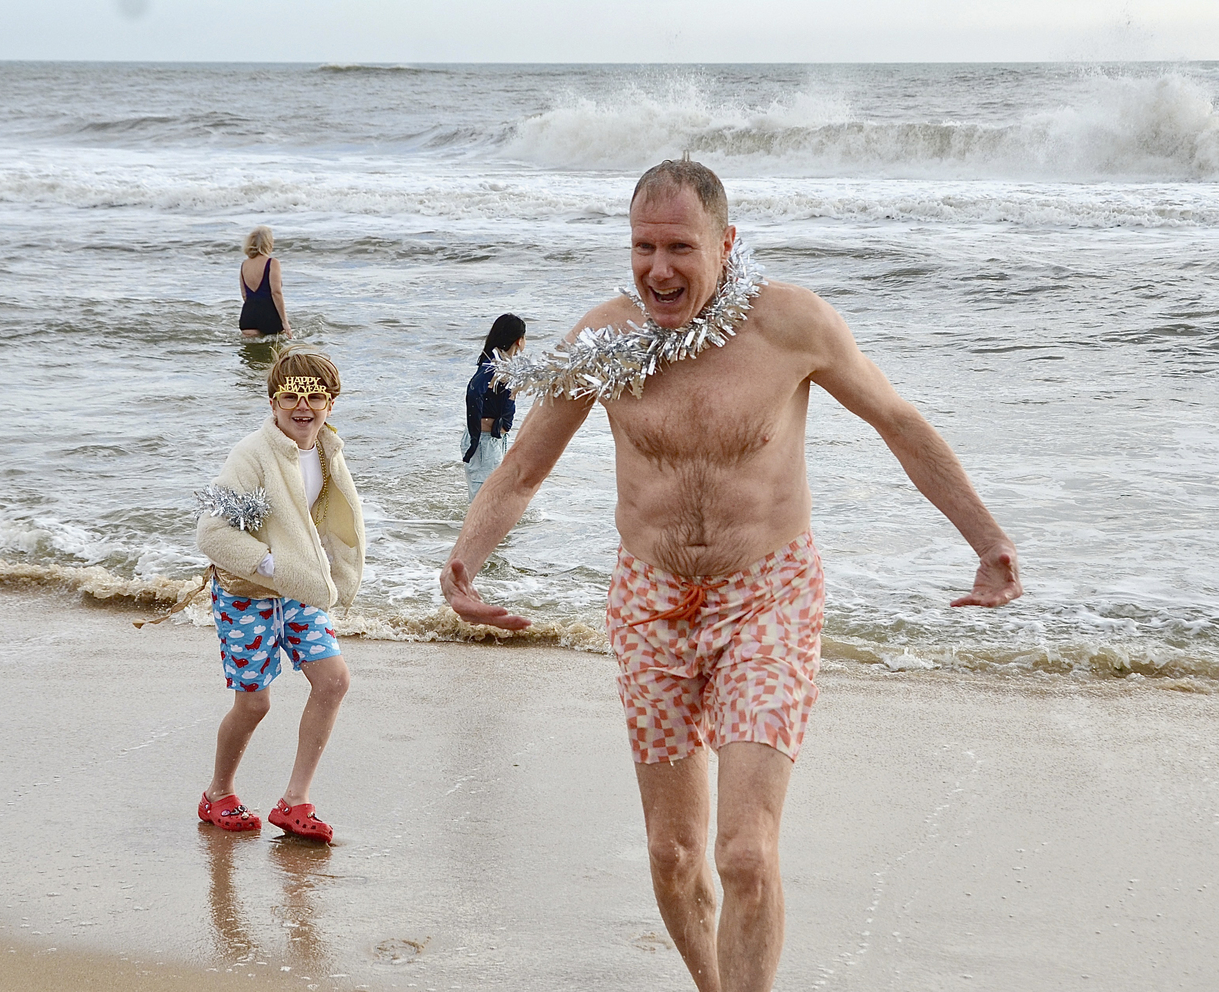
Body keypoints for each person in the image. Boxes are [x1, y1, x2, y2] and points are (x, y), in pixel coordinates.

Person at [439, 160, 1021, 992]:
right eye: (643, 247)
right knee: (673, 856)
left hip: (768, 594)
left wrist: (987, 539)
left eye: (680, 246)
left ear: (727, 243)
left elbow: (896, 422)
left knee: (745, 853)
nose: (659, 268)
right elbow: (525, 465)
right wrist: (466, 560)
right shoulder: (605, 341)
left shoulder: (792, 326)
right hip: (648, 603)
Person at [195, 343, 365, 843]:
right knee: (254, 705)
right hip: (247, 593)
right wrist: (272, 565)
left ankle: (295, 802)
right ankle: (218, 795)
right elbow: (212, 534)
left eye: (315, 396)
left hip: (299, 593)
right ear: (273, 403)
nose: (302, 406)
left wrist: (320, 574)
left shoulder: (328, 450)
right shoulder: (251, 455)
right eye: (291, 396)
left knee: (333, 682)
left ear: (330, 404)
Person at [461, 312, 526, 501]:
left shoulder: (504, 364)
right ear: (519, 340)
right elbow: (473, 391)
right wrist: (475, 436)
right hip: (483, 441)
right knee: (486, 501)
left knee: (494, 498)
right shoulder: (492, 365)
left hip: (494, 439)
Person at [238, 225, 292, 338]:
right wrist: (285, 322)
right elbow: (276, 292)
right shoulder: (272, 262)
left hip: (248, 318)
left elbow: (244, 295)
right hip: (269, 317)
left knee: (251, 354)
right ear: (269, 243)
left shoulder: (244, 264)